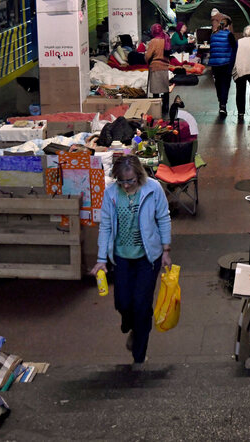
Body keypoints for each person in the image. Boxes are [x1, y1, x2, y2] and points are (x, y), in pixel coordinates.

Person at [91, 155, 172, 368]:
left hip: (148, 257)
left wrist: (165, 249)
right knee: (123, 302)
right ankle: (132, 323)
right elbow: (106, 226)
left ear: (139, 176)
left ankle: (139, 355)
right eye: (121, 181)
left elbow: (163, 218)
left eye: (130, 181)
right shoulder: (111, 194)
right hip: (121, 257)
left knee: (142, 305)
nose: (126, 185)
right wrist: (101, 259)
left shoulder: (153, 189)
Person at [208, 14, 237, 116]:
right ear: (227, 26)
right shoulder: (229, 35)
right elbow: (235, 48)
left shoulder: (213, 35)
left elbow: (212, 50)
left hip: (215, 65)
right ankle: (223, 105)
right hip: (226, 64)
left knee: (218, 84)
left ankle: (221, 101)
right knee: (225, 85)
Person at [144, 23, 170, 115]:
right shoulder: (166, 39)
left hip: (155, 67)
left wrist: (146, 60)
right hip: (165, 67)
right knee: (165, 88)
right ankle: (166, 107)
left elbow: (148, 56)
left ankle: (157, 108)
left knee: (156, 90)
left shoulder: (154, 41)